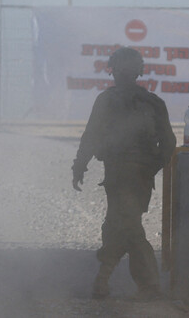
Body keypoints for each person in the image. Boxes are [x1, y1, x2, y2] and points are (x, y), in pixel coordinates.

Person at [71, 46, 176, 299]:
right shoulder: (154, 102)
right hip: (136, 177)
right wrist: (151, 167)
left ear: (113, 71)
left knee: (126, 227)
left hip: (120, 175)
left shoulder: (107, 100)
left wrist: (79, 165)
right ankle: (121, 283)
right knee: (122, 225)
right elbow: (169, 144)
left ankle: (132, 283)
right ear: (139, 71)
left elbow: (90, 136)